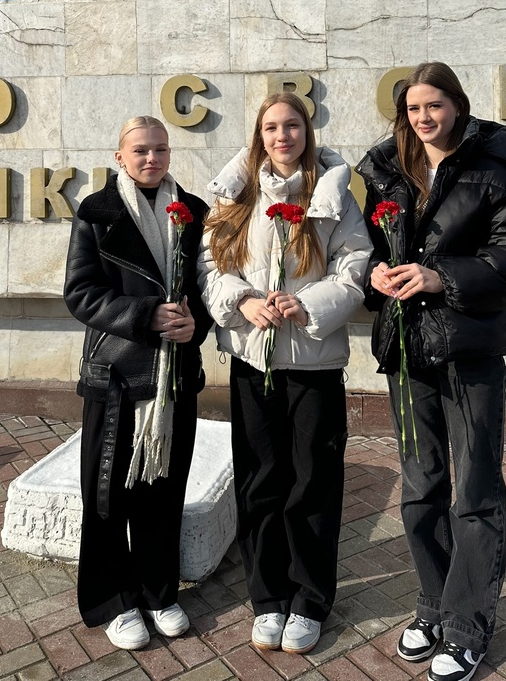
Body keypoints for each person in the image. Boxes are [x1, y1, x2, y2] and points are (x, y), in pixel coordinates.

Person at [356, 63, 506, 681]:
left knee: (476, 492)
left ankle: (468, 626)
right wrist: (374, 276)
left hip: (470, 352)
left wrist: (443, 276)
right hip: (406, 351)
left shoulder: (496, 172)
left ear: (458, 106)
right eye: (414, 109)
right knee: (420, 490)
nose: (424, 118)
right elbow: (364, 249)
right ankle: (433, 604)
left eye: (434, 105)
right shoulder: (388, 171)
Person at [199, 93, 371, 655]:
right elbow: (210, 263)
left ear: (307, 130)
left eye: (292, 125)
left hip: (313, 364)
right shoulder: (236, 194)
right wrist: (242, 301)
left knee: (313, 482)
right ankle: (267, 596)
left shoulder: (333, 196)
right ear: (258, 135)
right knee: (260, 481)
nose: (282, 136)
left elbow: (354, 267)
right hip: (254, 359)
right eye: (271, 127)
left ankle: (309, 598)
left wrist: (310, 304)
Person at [64, 116, 212, 650]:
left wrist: (200, 322)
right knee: (107, 491)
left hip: (173, 374)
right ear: (120, 156)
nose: (152, 158)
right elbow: (80, 293)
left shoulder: (193, 212)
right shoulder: (97, 213)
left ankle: (157, 590)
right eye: (142, 151)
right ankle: (112, 598)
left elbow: (205, 284)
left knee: (163, 490)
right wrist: (146, 314)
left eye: (161, 150)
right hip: (118, 375)